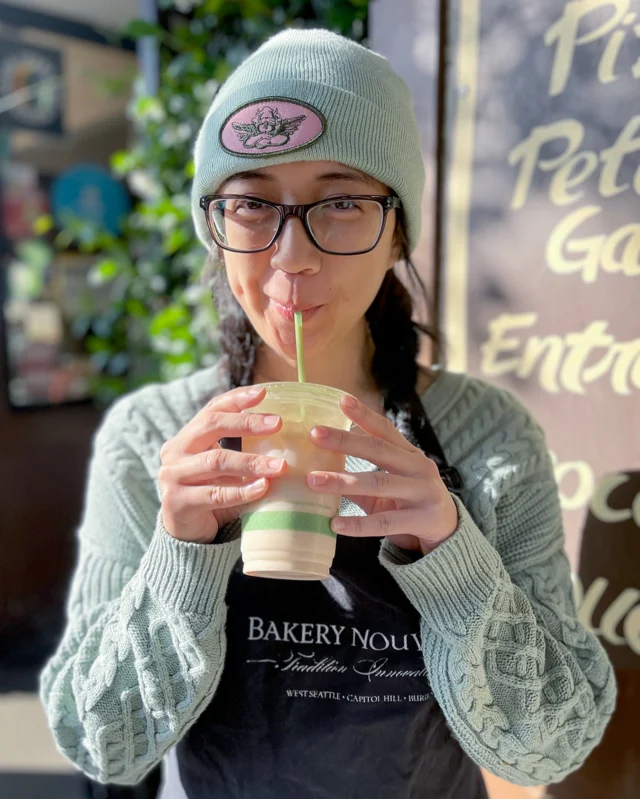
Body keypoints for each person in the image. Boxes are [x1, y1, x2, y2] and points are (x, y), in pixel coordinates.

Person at [40, 29, 616, 799]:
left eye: (341, 202)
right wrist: (177, 556)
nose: (290, 258)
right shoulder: (152, 439)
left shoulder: (487, 438)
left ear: (397, 230)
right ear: (216, 225)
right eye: (251, 203)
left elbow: (550, 747)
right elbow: (101, 744)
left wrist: (453, 557)